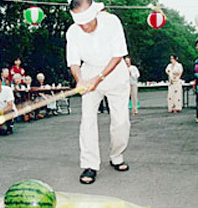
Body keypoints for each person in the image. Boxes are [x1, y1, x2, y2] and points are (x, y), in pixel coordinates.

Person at [66, 0, 130, 184]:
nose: (84, 26)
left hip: (114, 71)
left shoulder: (112, 22)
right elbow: (74, 62)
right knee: (87, 120)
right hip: (89, 71)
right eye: (80, 22)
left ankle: (117, 155)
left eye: (87, 21)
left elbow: (118, 55)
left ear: (95, 12)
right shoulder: (72, 32)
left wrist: (98, 78)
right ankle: (90, 165)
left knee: (121, 122)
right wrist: (80, 80)